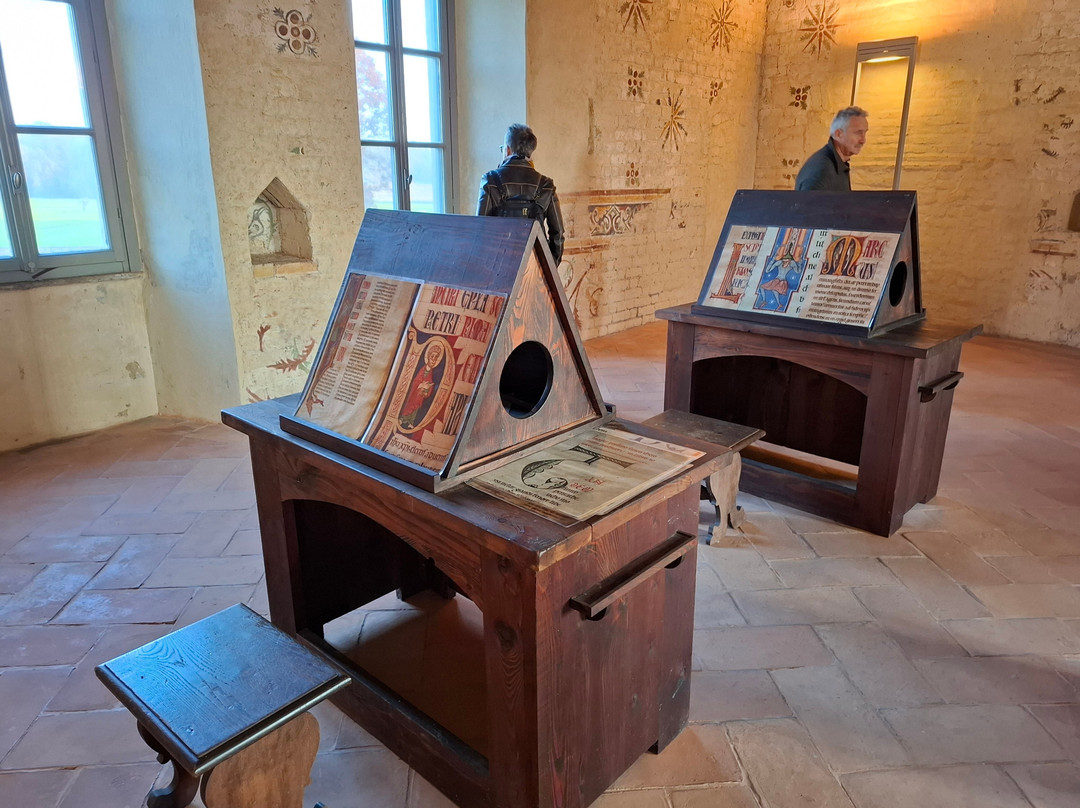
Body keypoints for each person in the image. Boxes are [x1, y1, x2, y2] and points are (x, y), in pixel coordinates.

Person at [477, 123, 565, 263]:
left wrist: (487, 264)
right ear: (530, 152)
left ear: (507, 150)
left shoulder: (490, 180)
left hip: (499, 262)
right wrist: (550, 265)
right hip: (536, 263)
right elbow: (558, 233)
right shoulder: (546, 185)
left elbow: (481, 229)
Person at [794, 106, 868, 191]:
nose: (863, 140)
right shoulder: (821, 170)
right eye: (858, 133)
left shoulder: (835, 163)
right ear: (838, 134)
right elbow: (808, 199)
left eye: (865, 133)